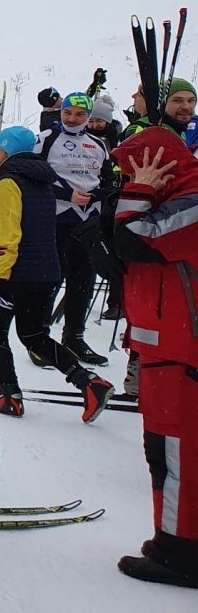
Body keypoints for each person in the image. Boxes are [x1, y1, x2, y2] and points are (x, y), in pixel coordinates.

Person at [110, 129, 198, 589]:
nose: (128, 177)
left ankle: (180, 554)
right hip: (170, 350)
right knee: (171, 455)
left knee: (175, 457)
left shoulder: (192, 202)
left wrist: (139, 190)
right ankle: (175, 540)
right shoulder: (182, 198)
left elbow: (132, 240)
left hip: (181, 354)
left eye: (133, 168)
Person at [0, 124, 114, 421]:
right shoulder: (43, 178)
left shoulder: (8, 180)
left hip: (15, 270)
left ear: (5, 149)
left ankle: (10, 395)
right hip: (46, 269)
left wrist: (0, 273)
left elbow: (10, 233)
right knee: (34, 334)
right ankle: (89, 383)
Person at [37, 92, 113, 365]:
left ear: (89, 117)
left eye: (80, 115)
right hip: (56, 220)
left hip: (88, 223)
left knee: (82, 282)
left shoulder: (98, 145)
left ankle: (74, 337)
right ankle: (40, 338)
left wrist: (99, 195)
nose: (72, 119)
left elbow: (108, 181)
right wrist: (65, 194)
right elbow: (34, 179)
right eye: (68, 113)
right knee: (50, 280)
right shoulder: (47, 140)